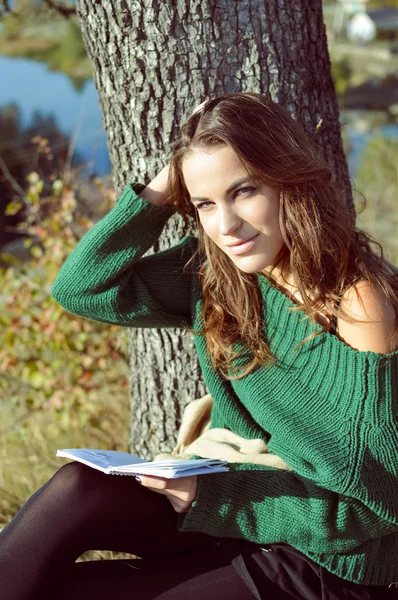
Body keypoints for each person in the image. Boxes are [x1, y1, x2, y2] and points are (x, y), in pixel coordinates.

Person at [1, 92, 397, 600]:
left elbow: (380, 503)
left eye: (244, 191)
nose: (226, 226)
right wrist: (171, 181)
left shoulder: (358, 304)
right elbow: (81, 289)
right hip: (238, 501)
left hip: (331, 564)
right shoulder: (217, 275)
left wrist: (213, 497)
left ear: (289, 180)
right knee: (79, 487)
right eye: (206, 204)